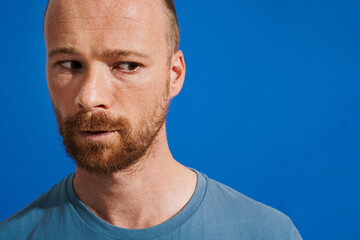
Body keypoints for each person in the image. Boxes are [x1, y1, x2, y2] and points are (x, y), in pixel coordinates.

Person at [0, 0, 302, 239]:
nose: (89, 97)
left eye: (127, 65)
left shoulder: (267, 233)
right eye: (69, 64)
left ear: (174, 75)